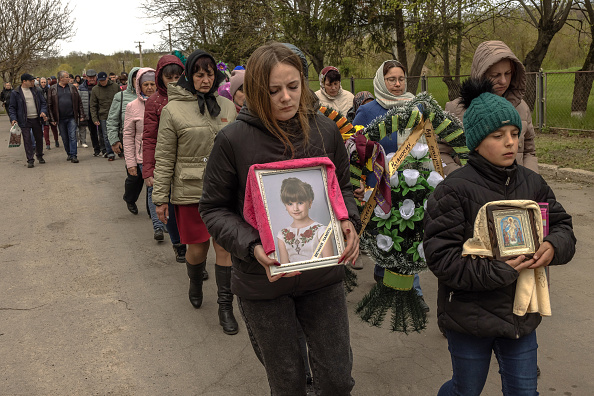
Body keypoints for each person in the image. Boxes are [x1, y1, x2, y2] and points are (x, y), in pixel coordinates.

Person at [199, 42, 360, 394]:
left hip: (322, 275)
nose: (286, 97)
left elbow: (343, 189)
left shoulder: (324, 131)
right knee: (288, 382)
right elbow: (212, 209)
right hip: (263, 283)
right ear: (256, 90)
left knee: (336, 378)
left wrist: (349, 221)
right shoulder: (232, 140)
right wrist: (252, 244)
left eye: (293, 87)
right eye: (273, 90)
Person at [423, 78, 576, 396]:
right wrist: (500, 269)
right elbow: (442, 258)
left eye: (514, 134)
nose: (511, 142)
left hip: (521, 315)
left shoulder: (533, 184)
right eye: (498, 135)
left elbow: (561, 226)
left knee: (524, 391)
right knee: (465, 389)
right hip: (469, 318)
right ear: (477, 141)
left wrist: (552, 244)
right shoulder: (453, 190)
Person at [151, 49, 239, 335]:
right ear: (190, 75)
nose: (205, 79)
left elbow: (239, 151)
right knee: (198, 247)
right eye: (199, 74)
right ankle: (195, 281)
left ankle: (225, 307)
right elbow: (164, 157)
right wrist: (160, 199)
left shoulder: (227, 107)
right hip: (191, 192)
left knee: (224, 248)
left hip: (224, 191)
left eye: (210, 73)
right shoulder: (172, 110)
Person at [351, 60, 429, 311]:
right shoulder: (368, 111)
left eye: (401, 79)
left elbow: (426, 144)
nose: (397, 84)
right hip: (379, 182)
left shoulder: (415, 108)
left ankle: (413, 292)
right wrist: (360, 181)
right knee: (384, 230)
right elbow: (358, 150)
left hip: (410, 182)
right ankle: (382, 268)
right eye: (391, 79)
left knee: (407, 233)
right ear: (380, 81)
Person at [442, 40, 538, 176]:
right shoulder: (457, 109)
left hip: (516, 193)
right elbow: (440, 153)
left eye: (508, 73)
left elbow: (529, 151)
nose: (503, 81)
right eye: (495, 75)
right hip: (473, 194)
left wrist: (529, 181)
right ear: (480, 75)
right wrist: (462, 180)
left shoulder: (521, 108)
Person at [142, 55, 186, 262]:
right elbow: (149, 138)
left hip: (188, 159)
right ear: (161, 78)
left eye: (178, 76)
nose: (174, 81)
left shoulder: (190, 97)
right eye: (170, 78)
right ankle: (178, 243)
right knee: (166, 203)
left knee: (188, 206)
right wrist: (148, 170)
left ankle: (194, 249)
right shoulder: (154, 102)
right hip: (164, 161)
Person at [121, 67, 165, 240]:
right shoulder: (132, 107)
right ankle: (158, 226)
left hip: (165, 155)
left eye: (152, 84)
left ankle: (166, 222)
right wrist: (130, 162)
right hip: (143, 157)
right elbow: (128, 135)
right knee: (152, 190)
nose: (149, 87)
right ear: (139, 86)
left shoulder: (164, 103)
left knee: (166, 192)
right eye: (145, 84)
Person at [106, 67, 143, 214]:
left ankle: (155, 218)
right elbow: (112, 120)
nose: (139, 83)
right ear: (131, 80)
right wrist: (114, 140)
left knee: (151, 179)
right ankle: (130, 198)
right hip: (130, 143)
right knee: (135, 177)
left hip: (148, 142)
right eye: (136, 79)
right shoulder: (120, 97)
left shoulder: (152, 96)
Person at [277, 177, 334, 264]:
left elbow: (330, 264)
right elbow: (285, 267)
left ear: (310, 203)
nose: (295, 208)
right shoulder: (282, 235)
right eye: (290, 204)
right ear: (285, 206)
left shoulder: (321, 231)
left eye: (300, 203)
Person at [352, 60, 414, 127]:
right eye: (392, 80)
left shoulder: (415, 106)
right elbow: (354, 137)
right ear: (381, 82)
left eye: (401, 79)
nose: (398, 84)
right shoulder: (366, 112)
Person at [8, 74, 48, 168]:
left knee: (39, 138)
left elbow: (43, 103)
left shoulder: (36, 91)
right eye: (31, 81)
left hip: (36, 119)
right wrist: (13, 119)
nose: (33, 82)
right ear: (24, 81)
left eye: (33, 81)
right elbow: (12, 108)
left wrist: (43, 112)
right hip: (24, 120)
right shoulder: (16, 93)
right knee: (27, 140)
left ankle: (39, 155)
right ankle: (30, 159)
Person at [47, 71, 85, 163]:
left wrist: (81, 115)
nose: (69, 79)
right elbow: (49, 105)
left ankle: (74, 155)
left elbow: (79, 102)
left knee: (72, 136)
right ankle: (69, 153)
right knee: (64, 137)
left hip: (72, 116)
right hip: (60, 118)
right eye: (67, 77)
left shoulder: (72, 88)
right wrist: (52, 119)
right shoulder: (53, 89)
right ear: (61, 79)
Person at [90, 71, 121, 160]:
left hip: (116, 114)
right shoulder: (95, 89)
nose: (102, 82)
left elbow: (121, 99)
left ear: (107, 78)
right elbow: (93, 105)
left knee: (119, 133)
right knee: (106, 135)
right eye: (100, 81)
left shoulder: (115, 86)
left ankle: (120, 150)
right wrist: (95, 118)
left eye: (104, 80)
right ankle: (110, 153)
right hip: (103, 115)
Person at [79, 69, 101, 156]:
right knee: (93, 133)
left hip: (100, 112)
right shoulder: (82, 87)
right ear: (86, 77)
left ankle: (104, 148)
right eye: (90, 77)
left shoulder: (101, 85)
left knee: (103, 132)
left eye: (93, 77)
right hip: (89, 113)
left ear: (96, 77)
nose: (92, 79)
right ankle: (96, 149)